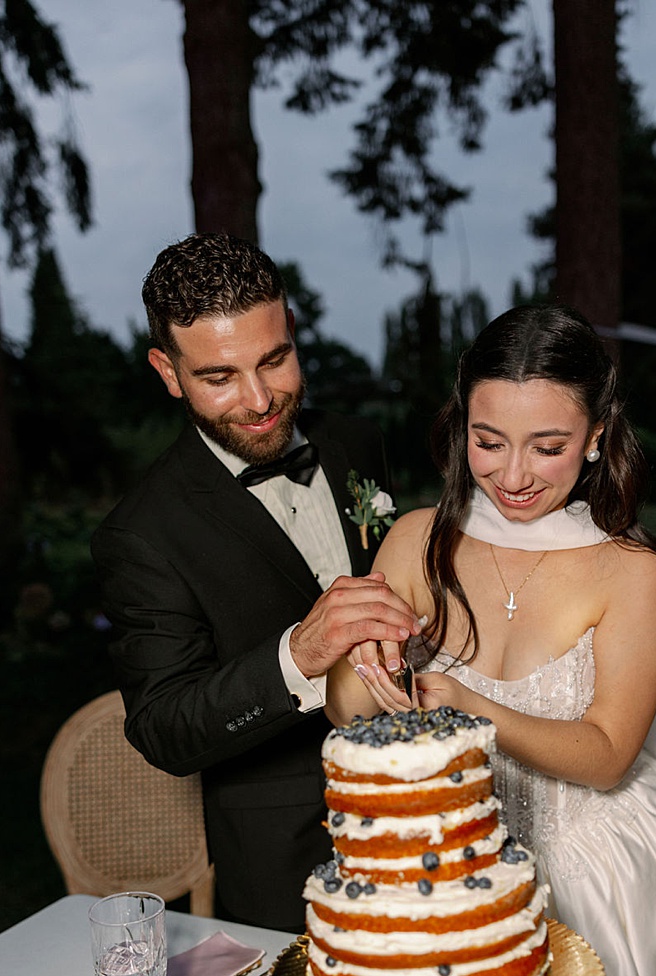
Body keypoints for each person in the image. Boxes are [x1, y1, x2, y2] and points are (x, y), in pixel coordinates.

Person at [329, 302, 656, 976]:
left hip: (604, 863)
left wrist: (470, 705)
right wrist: (362, 652)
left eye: (546, 446)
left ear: (595, 438)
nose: (512, 474)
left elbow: (611, 755)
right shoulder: (419, 539)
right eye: (488, 441)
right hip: (451, 866)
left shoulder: (630, 570)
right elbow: (348, 714)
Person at [91, 235, 422, 930]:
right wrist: (298, 656)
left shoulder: (357, 442)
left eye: (275, 359)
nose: (262, 398)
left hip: (423, 809)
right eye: (220, 377)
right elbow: (163, 729)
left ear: (293, 331)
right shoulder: (143, 532)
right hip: (286, 861)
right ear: (168, 371)